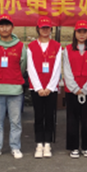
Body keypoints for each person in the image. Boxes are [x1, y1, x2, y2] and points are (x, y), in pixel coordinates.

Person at [0, 14, 27, 159]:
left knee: (16, 121)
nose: (4, 28)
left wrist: (13, 75)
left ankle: (15, 147)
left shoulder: (20, 46)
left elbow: (22, 66)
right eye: (1, 26)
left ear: (12, 27)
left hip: (15, 89)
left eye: (7, 25)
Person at [63, 20, 87, 158]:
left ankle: (86, 147)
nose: (82, 34)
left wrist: (86, 89)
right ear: (75, 33)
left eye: (84, 32)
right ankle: (73, 147)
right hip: (72, 90)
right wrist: (74, 88)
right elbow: (66, 70)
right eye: (79, 31)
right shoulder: (67, 49)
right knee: (72, 119)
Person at [26, 16, 62, 159]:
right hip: (36, 88)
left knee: (50, 116)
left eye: (47, 28)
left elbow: (57, 68)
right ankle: (39, 144)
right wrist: (39, 87)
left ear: (51, 29)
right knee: (38, 116)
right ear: (38, 29)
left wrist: (50, 87)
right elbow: (31, 68)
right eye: (42, 28)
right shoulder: (31, 46)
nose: (45, 30)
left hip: (51, 88)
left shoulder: (57, 46)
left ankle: (47, 143)